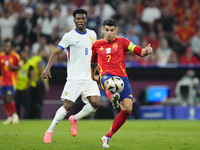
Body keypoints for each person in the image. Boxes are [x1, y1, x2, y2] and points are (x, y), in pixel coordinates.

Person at [90, 19, 153, 148]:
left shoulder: (123, 42)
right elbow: (93, 63)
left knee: (127, 109)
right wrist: (93, 76)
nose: (109, 33)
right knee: (110, 83)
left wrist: (145, 51)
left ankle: (107, 136)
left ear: (115, 30)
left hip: (122, 78)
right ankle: (113, 96)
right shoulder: (96, 45)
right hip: (105, 76)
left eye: (112, 30)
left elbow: (137, 50)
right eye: (106, 30)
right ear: (103, 30)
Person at [41, 9, 100, 143]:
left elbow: (94, 55)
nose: (80, 20)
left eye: (82, 18)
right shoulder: (69, 36)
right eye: (77, 18)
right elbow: (56, 53)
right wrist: (47, 69)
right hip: (74, 78)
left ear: (86, 20)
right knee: (67, 105)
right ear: (74, 20)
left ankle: (75, 119)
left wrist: (96, 72)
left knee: (95, 103)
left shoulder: (92, 34)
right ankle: (49, 131)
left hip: (89, 77)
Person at [0, 38, 21, 125]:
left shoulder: (15, 56)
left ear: (10, 47)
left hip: (11, 81)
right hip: (3, 81)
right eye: (5, 47)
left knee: (9, 98)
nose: (6, 48)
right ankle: (9, 117)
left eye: (8, 46)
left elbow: (20, 66)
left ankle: (15, 115)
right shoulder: (1, 56)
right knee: (4, 99)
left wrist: (13, 68)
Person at [29, 48, 49, 119]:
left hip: (32, 83)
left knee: (33, 101)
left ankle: (31, 116)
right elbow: (41, 71)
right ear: (41, 52)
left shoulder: (32, 59)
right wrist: (46, 84)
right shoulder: (39, 60)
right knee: (38, 101)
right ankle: (37, 117)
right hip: (39, 83)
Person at [15, 50, 35, 119]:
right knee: (17, 104)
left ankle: (26, 118)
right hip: (18, 86)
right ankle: (17, 117)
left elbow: (33, 75)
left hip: (25, 87)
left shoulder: (30, 63)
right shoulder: (20, 62)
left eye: (23, 53)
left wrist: (28, 85)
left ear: (27, 54)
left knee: (26, 104)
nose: (22, 55)